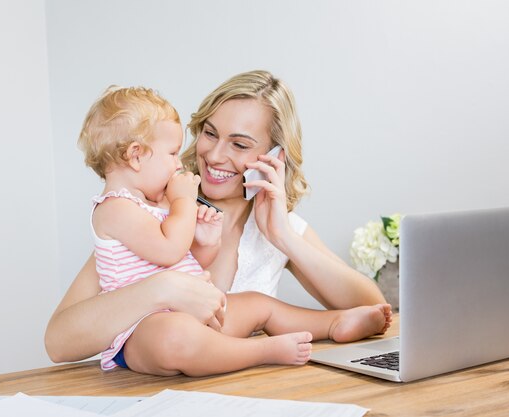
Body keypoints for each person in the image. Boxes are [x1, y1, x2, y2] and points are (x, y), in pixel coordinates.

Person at [45, 70, 389, 375]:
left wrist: (284, 237)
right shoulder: (158, 210)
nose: (214, 154)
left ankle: (318, 330)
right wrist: (160, 289)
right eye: (210, 134)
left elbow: (370, 304)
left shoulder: (276, 228)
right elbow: (58, 342)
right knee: (173, 335)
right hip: (163, 383)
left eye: (239, 143)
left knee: (259, 305)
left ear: (273, 158)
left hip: (245, 395)